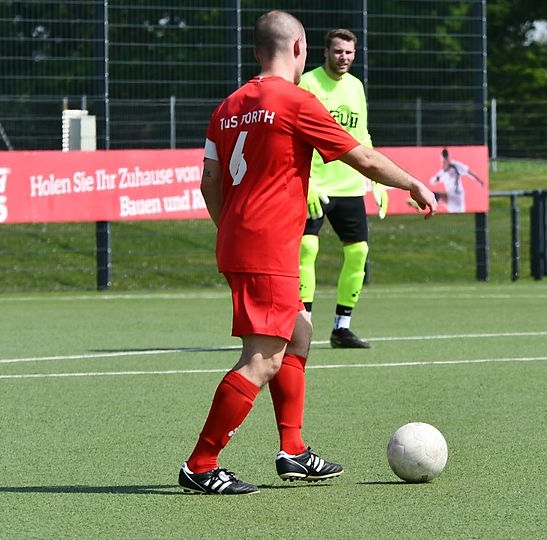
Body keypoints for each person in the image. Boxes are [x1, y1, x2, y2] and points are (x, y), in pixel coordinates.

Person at [179, 10, 437, 495]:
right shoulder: (296, 101)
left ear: (257, 52)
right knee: (262, 359)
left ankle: (293, 451)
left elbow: (209, 182)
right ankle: (201, 463)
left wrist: (232, 228)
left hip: (241, 240)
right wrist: (412, 183)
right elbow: (362, 157)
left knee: (300, 332)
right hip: (267, 247)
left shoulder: (227, 106)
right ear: (299, 49)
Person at [297, 28, 385, 349]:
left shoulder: (356, 86)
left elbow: (362, 136)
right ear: (325, 52)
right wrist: (305, 182)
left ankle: (341, 328)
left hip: (348, 185)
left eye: (349, 52)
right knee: (306, 249)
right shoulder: (307, 83)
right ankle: (302, 325)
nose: (343, 57)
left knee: (358, 252)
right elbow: (293, 136)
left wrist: (376, 178)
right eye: (338, 51)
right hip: (314, 185)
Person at [428, 148, 484, 213]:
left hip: (457, 197)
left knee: (436, 196)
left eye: (445, 161)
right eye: (442, 162)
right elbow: (432, 182)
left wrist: (479, 180)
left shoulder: (455, 167)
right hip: (451, 197)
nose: (443, 164)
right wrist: (436, 179)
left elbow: (468, 172)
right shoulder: (442, 173)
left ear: (448, 159)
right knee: (434, 196)